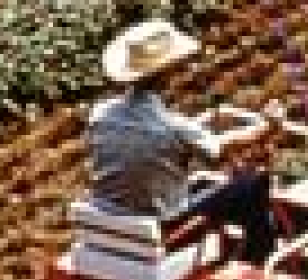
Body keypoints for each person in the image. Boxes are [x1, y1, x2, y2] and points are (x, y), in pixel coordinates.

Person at [88, 19, 286, 265]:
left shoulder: (100, 114)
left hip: (107, 222)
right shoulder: (172, 125)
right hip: (161, 228)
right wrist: (266, 127)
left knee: (198, 185)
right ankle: (256, 264)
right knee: (251, 187)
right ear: (167, 73)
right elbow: (218, 152)